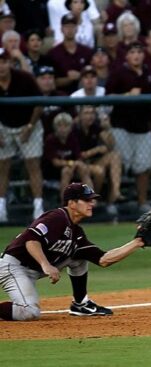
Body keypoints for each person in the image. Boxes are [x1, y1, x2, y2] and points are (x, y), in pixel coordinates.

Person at [0, 182, 151, 321]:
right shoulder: (57, 218)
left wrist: (137, 242)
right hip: (13, 267)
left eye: (92, 200)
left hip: (33, 268)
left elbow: (104, 259)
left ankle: (80, 304)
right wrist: (46, 264)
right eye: (86, 200)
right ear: (72, 203)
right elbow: (31, 240)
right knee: (30, 312)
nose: (91, 203)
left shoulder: (77, 233)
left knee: (78, 257)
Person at [106, 41, 151, 212]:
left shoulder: (150, 73)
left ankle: (142, 202)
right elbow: (107, 96)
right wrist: (126, 95)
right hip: (121, 126)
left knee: (143, 167)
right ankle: (112, 202)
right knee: (119, 165)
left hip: (144, 127)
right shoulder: (119, 73)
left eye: (139, 51)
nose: (136, 55)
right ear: (127, 55)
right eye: (133, 52)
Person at [0, 47, 44, 223]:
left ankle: (38, 208)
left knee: (33, 165)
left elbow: (39, 102)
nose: (1, 66)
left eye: (3, 61)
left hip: (28, 124)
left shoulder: (24, 78)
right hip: (3, 125)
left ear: (10, 63)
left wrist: (30, 126)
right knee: (2, 166)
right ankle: (1, 208)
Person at [43, 112, 94, 201]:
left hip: (72, 168)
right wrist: (71, 163)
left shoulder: (73, 138)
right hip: (53, 171)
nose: (63, 129)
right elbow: (55, 162)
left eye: (66, 126)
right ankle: (65, 203)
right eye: (60, 126)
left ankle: (90, 198)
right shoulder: (50, 139)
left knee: (83, 168)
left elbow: (78, 157)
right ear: (55, 127)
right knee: (66, 171)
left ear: (70, 128)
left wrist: (76, 164)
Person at [47, 12, 94, 94]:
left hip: (85, 95)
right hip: (62, 97)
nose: (70, 30)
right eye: (66, 27)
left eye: (72, 26)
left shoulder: (87, 52)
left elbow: (94, 76)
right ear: (61, 29)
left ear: (77, 29)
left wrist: (80, 76)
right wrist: (68, 79)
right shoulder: (53, 53)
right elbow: (50, 81)